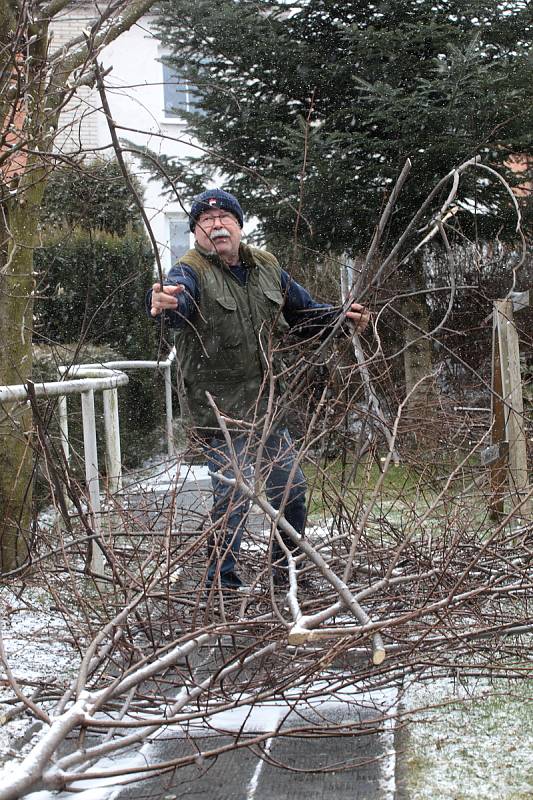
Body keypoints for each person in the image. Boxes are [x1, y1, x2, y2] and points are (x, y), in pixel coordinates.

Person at [148, 189, 369, 593]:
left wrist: (340, 318)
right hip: (219, 412)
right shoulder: (188, 271)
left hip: (269, 406)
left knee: (292, 490)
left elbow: (303, 314)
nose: (216, 225)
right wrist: (164, 303)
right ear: (196, 231)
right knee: (232, 500)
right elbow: (175, 307)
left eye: (224, 217)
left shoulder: (266, 266)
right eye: (205, 220)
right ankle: (223, 585)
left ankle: (286, 573)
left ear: (238, 224)